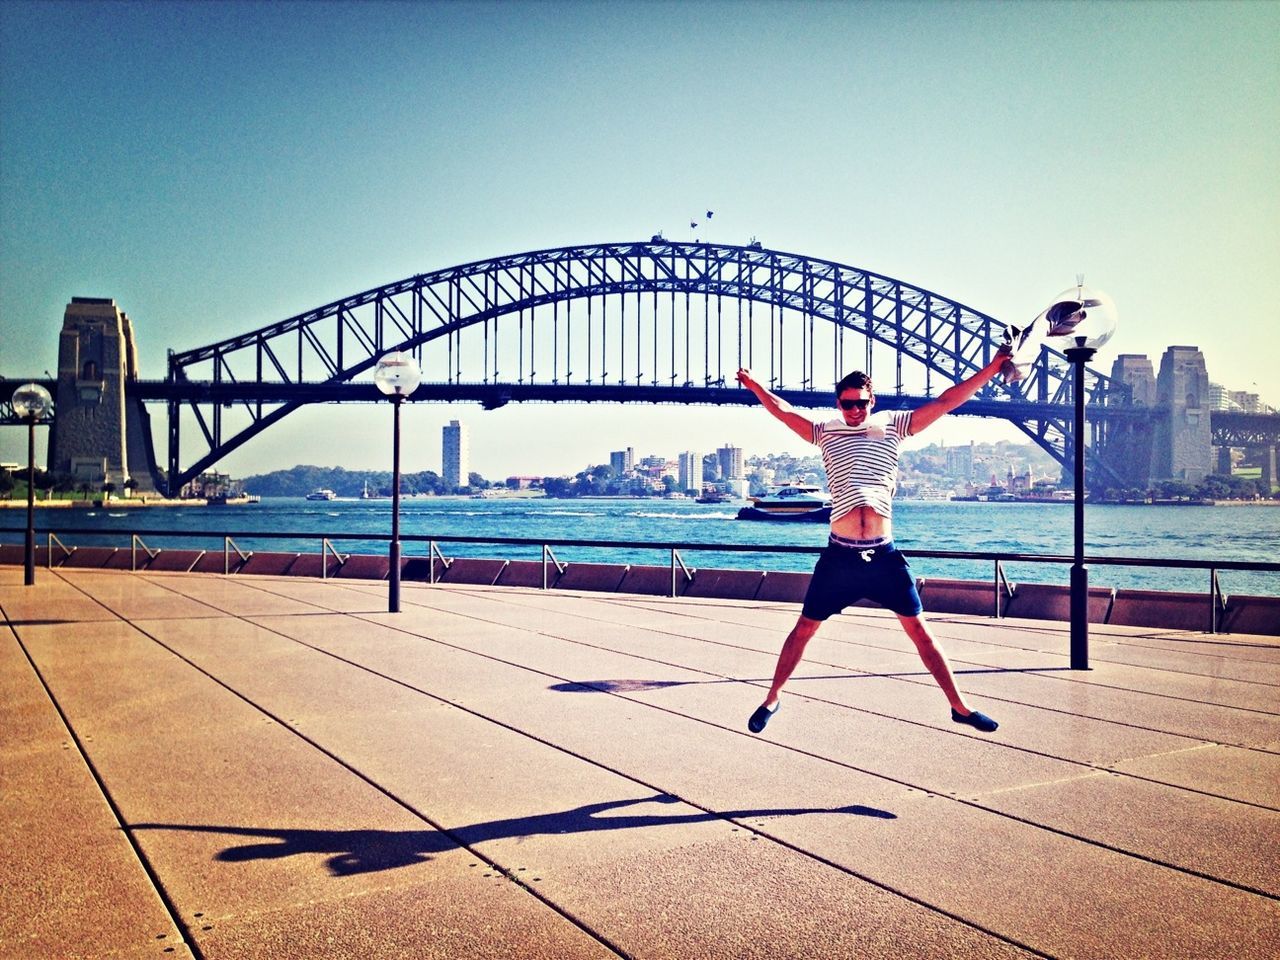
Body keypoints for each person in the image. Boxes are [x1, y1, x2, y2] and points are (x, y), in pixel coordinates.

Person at [737, 345, 1015, 735]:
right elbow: (783, 411)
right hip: (840, 558)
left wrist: (992, 367)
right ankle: (772, 698)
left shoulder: (895, 426)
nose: (855, 411)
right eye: (848, 404)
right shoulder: (824, 432)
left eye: (861, 403)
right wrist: (754, 386)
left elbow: (948, 400)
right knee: (804, 629)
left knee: (920, 631)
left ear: (872, 400)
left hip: (884, 558)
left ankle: (960, 707)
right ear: (838, 403)